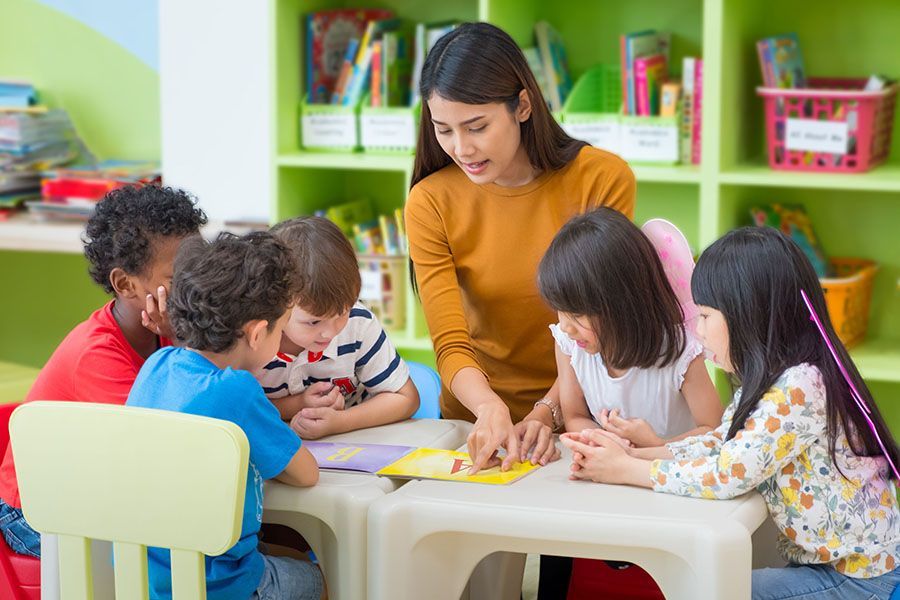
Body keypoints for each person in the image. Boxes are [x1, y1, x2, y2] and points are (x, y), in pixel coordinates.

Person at [561, 227, 900, 600]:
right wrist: (640, 453)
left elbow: (730, 473)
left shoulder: (800, 386)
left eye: (705, 316)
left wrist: (627, 470)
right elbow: (725, 443)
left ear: (748, 314)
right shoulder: (773, 379)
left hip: (859, 579)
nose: (698, 330)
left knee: (712, 591)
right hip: (831, 568)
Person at [405, 21, 636, 478]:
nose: (461, 148)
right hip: (474, 419)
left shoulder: (602, 179)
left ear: (523, 106)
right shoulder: (430, 201)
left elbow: (605, 325)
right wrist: (489, 407)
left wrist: (547, 410)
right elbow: (450, 344)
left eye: (476, 126)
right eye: (443, 130)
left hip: (585, 416)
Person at [0, 185, 206, 557]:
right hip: (32, 512)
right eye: (178, 279)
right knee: (167, 548)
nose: (197, 288)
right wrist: (179, 338)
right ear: (125, 284)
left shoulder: (163, 332)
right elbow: (168, 439)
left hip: (94, 490)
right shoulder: (97, 353)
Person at [127, 231, 324, 600]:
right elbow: (306, 474)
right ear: (256, 333)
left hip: (149, 580)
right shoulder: (235, 390)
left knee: (280, 555)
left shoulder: (157, 364)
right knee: (323, 579)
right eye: (280, 330)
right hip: (218, 586)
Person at [537, 208, 723, 447]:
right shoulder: (570, 346)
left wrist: (653, 445)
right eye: (560, 310)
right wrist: (609, 441)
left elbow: (714, 431)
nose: (565, 326)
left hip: (667, 476)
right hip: (614, 476)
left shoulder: (680, 353)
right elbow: (575, 416)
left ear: (623, 303)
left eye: (576, 314)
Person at [256, 216, 419, 439]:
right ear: (276, 303)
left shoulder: (358, 323)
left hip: (352, 448)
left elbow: (405, 397)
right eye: (313, 322)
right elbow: (232, 409)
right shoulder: (254, 338)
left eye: (342, 313)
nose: (331, 332)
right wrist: (296, 405)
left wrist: (341, 422)